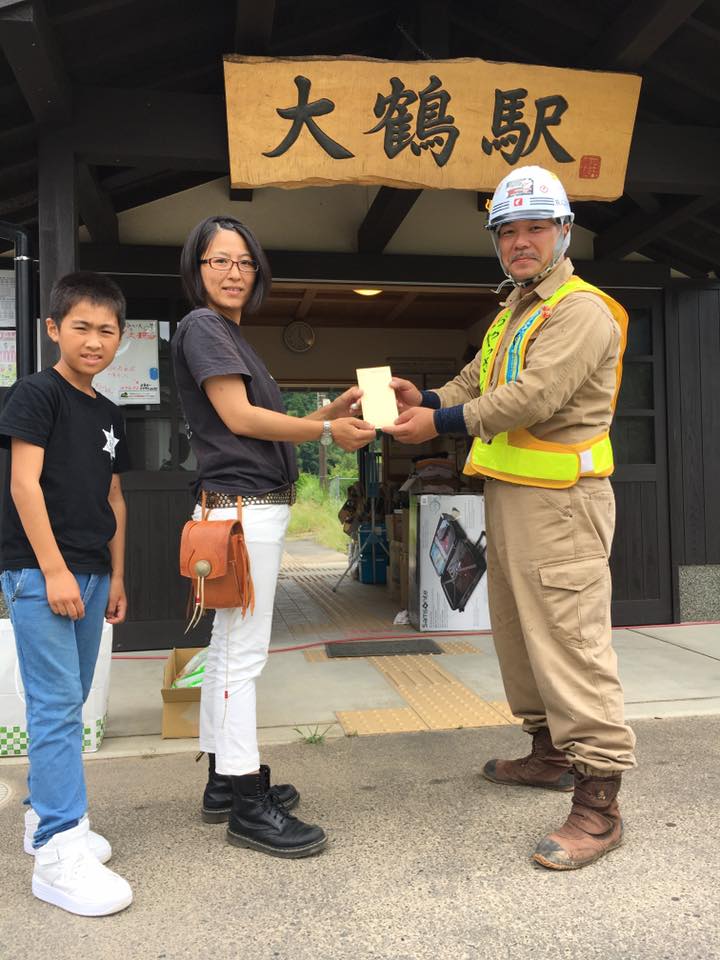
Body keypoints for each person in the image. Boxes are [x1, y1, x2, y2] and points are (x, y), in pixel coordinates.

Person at [385, 165, 636, 871]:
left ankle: (600, 806)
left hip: (564, 506)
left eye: (534, 228)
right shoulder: (515, 310)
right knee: (521, 638)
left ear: (563, 231)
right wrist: (425, 395)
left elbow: (533, 396)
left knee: (572, 643)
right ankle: (549, 753)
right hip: (516, 499)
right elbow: (476, 379)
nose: (520, 242)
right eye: (508, 231)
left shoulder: (581, 309)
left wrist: (436, 420)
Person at [172, 215, 376, 859]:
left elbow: (259, 425)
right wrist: (325, 435)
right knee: (241, 656)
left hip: (239, 509)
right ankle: (245, 805)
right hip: (242, 511)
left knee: (228, 648)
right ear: (197, 269)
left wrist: (330, 412)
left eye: (244, 262)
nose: (234, 273)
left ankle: (223, 785)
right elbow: (238, 416)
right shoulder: (205, 327)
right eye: (219, 261)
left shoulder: (229, 335)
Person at [0, 272, 133, 914]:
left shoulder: (109, 412)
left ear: (120, 340)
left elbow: (114, 497)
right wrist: (52, 571)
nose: (94, 339)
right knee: (55, 706)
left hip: (91, 570)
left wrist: (117, 576)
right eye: (81, 326)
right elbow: (25, 484)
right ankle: (57, 851)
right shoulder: (36, 394)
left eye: (106, 330)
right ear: (53, 329)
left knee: (71, 701)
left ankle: (42, 818)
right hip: (38, 569)